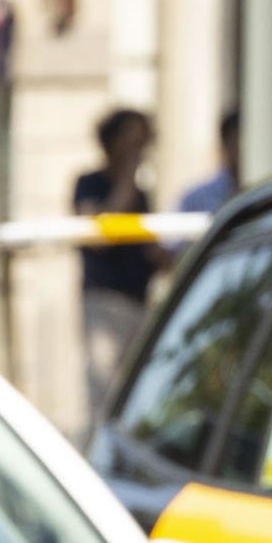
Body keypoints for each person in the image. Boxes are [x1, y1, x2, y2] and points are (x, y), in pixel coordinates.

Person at [73, 108, 158, 431]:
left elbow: (151, 252)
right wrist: (128, 178)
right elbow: (99, 235)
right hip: (105, 304)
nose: (138, 148)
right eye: (131, 140)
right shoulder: (89, 183)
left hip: (139, 302)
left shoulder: (141, 194)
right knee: (103, 395)